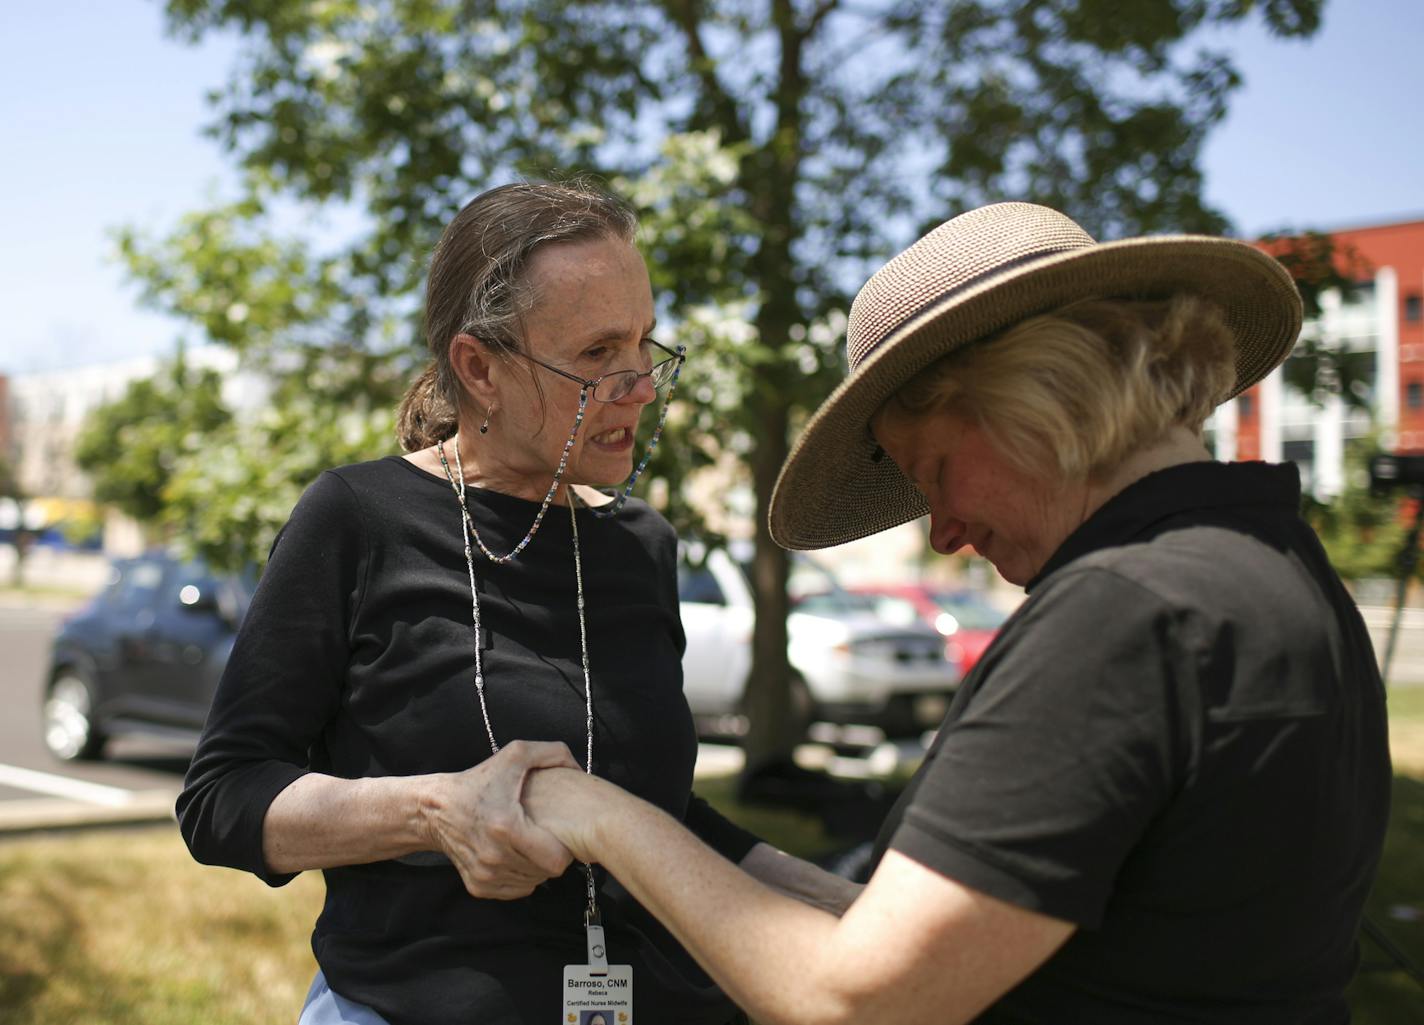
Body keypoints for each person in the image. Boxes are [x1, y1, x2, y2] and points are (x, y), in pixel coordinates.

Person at [518, 201, 1393, 1024]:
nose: (942, 533)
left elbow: (853, 1001)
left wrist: (601, 817)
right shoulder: (1271, 571)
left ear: (1037, 394)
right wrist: (685, 832)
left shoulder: (1121, 616)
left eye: (932, 471)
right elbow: (956, 934)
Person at [176, 180, 857, 1025]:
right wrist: (435, 812)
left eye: (645, 343)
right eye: (598, 352)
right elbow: (223, 799)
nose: (640, 385)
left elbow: (661, 814)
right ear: (479, 367)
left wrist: (844, 901)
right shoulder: (356, 520)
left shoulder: (642, 547)